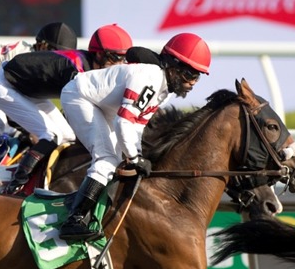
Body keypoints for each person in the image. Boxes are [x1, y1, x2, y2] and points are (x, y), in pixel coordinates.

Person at [57, 33, 211, 241]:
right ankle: (73, 220)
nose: (192, 83)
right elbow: (124, 122)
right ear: (173, 67)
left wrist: (135, 154)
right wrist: (135, 158)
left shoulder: (163, 91)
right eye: (189, 75)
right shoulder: (150, 77)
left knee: (118, 159)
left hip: (101, 105)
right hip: (79, 96)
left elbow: (137, 127)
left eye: (197, 77)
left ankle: (91, 210)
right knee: (107, 159)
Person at [0, 23, 134, 195]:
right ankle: (16, 186)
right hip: (5, 86)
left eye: (124, 59)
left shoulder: (89, 67)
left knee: (67, 136)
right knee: (53, 135)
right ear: (100, 54)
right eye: (116, 58)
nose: (120, 64)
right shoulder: (77, 69)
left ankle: (34, 178)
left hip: (28, 91)